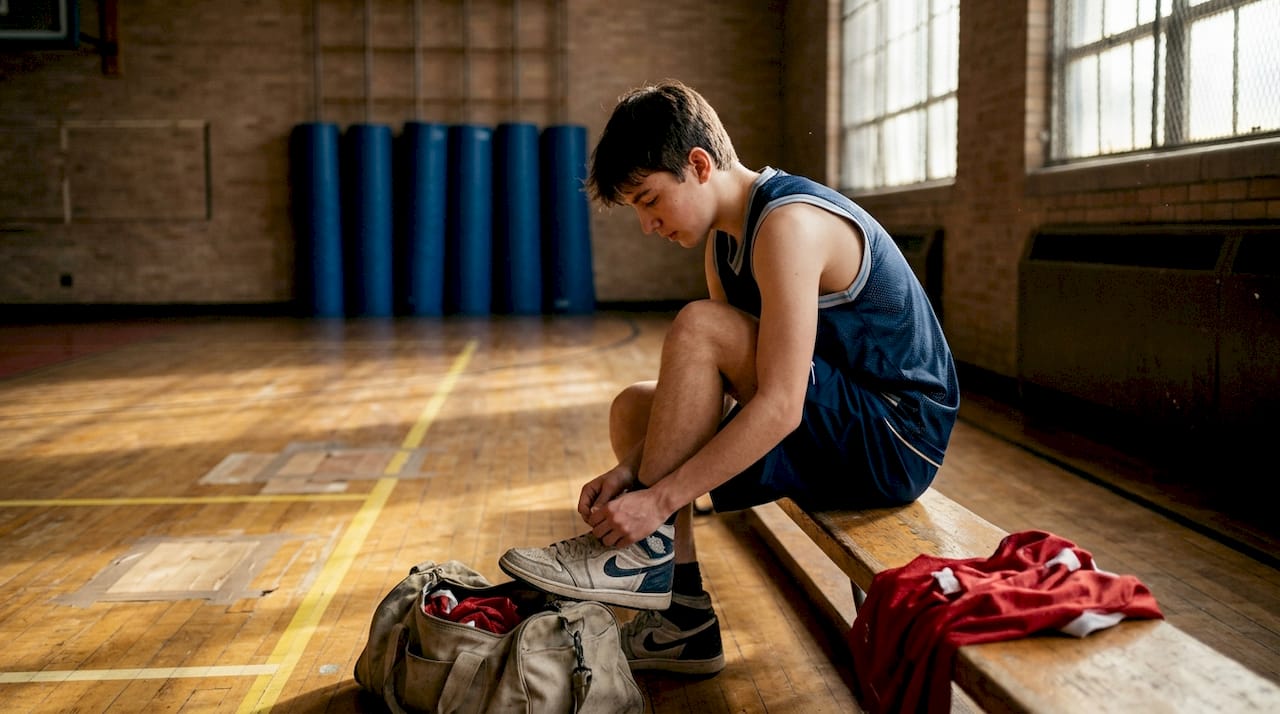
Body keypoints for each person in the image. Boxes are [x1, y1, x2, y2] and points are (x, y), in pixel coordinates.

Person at [499, 79, 959, 676]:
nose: (648, 224)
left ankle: (647, 550)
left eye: (648, 200)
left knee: (701, 325)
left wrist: (656, 500)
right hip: (841, 419)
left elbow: (783, 405)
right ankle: (683, 617)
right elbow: (717, 396)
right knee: (635, 408)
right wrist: (631, 472)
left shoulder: (789, 223)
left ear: (698, 164)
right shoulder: (723, 243)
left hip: (898, 438)